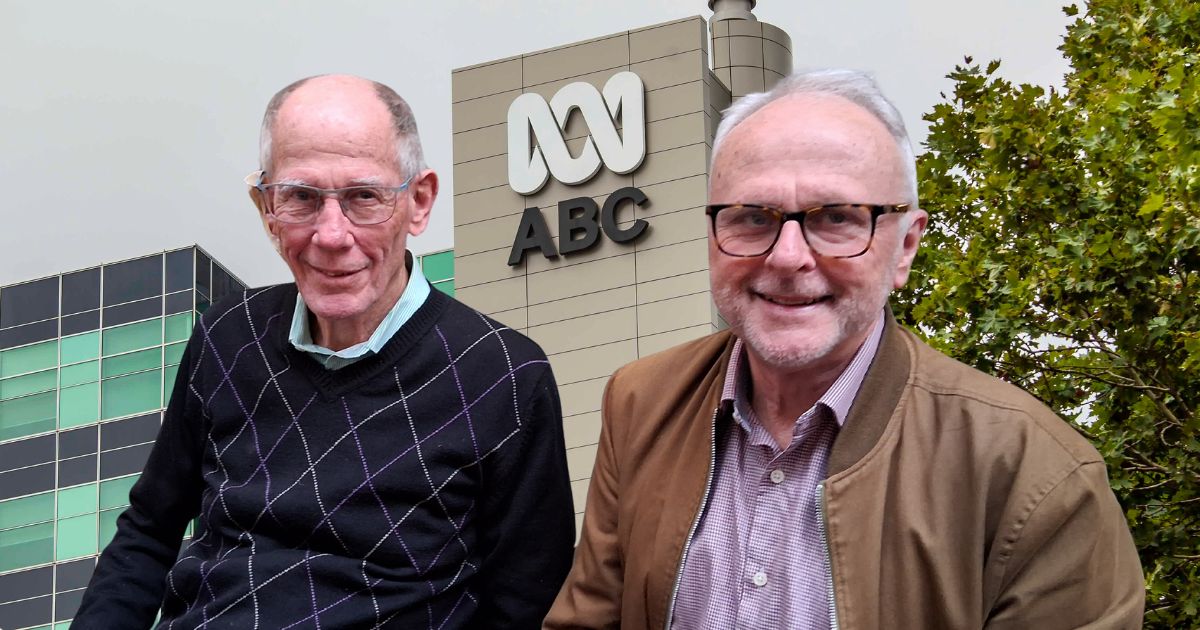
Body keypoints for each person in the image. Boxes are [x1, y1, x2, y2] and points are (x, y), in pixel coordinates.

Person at [544, 69, 1144, 629]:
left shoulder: (1035, 475)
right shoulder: (641, 403)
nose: (787, 257)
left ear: (905, 247)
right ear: (711, 236)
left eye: (836, 218)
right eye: (752, 217)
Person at [75, 74, 575, 629]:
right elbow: (149, 531)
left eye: (364, 197)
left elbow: (525, 603)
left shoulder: (503, 374)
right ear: (266, 206)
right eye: (301, 198)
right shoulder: (226, 337)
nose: (332, 235)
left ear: (419, 201)